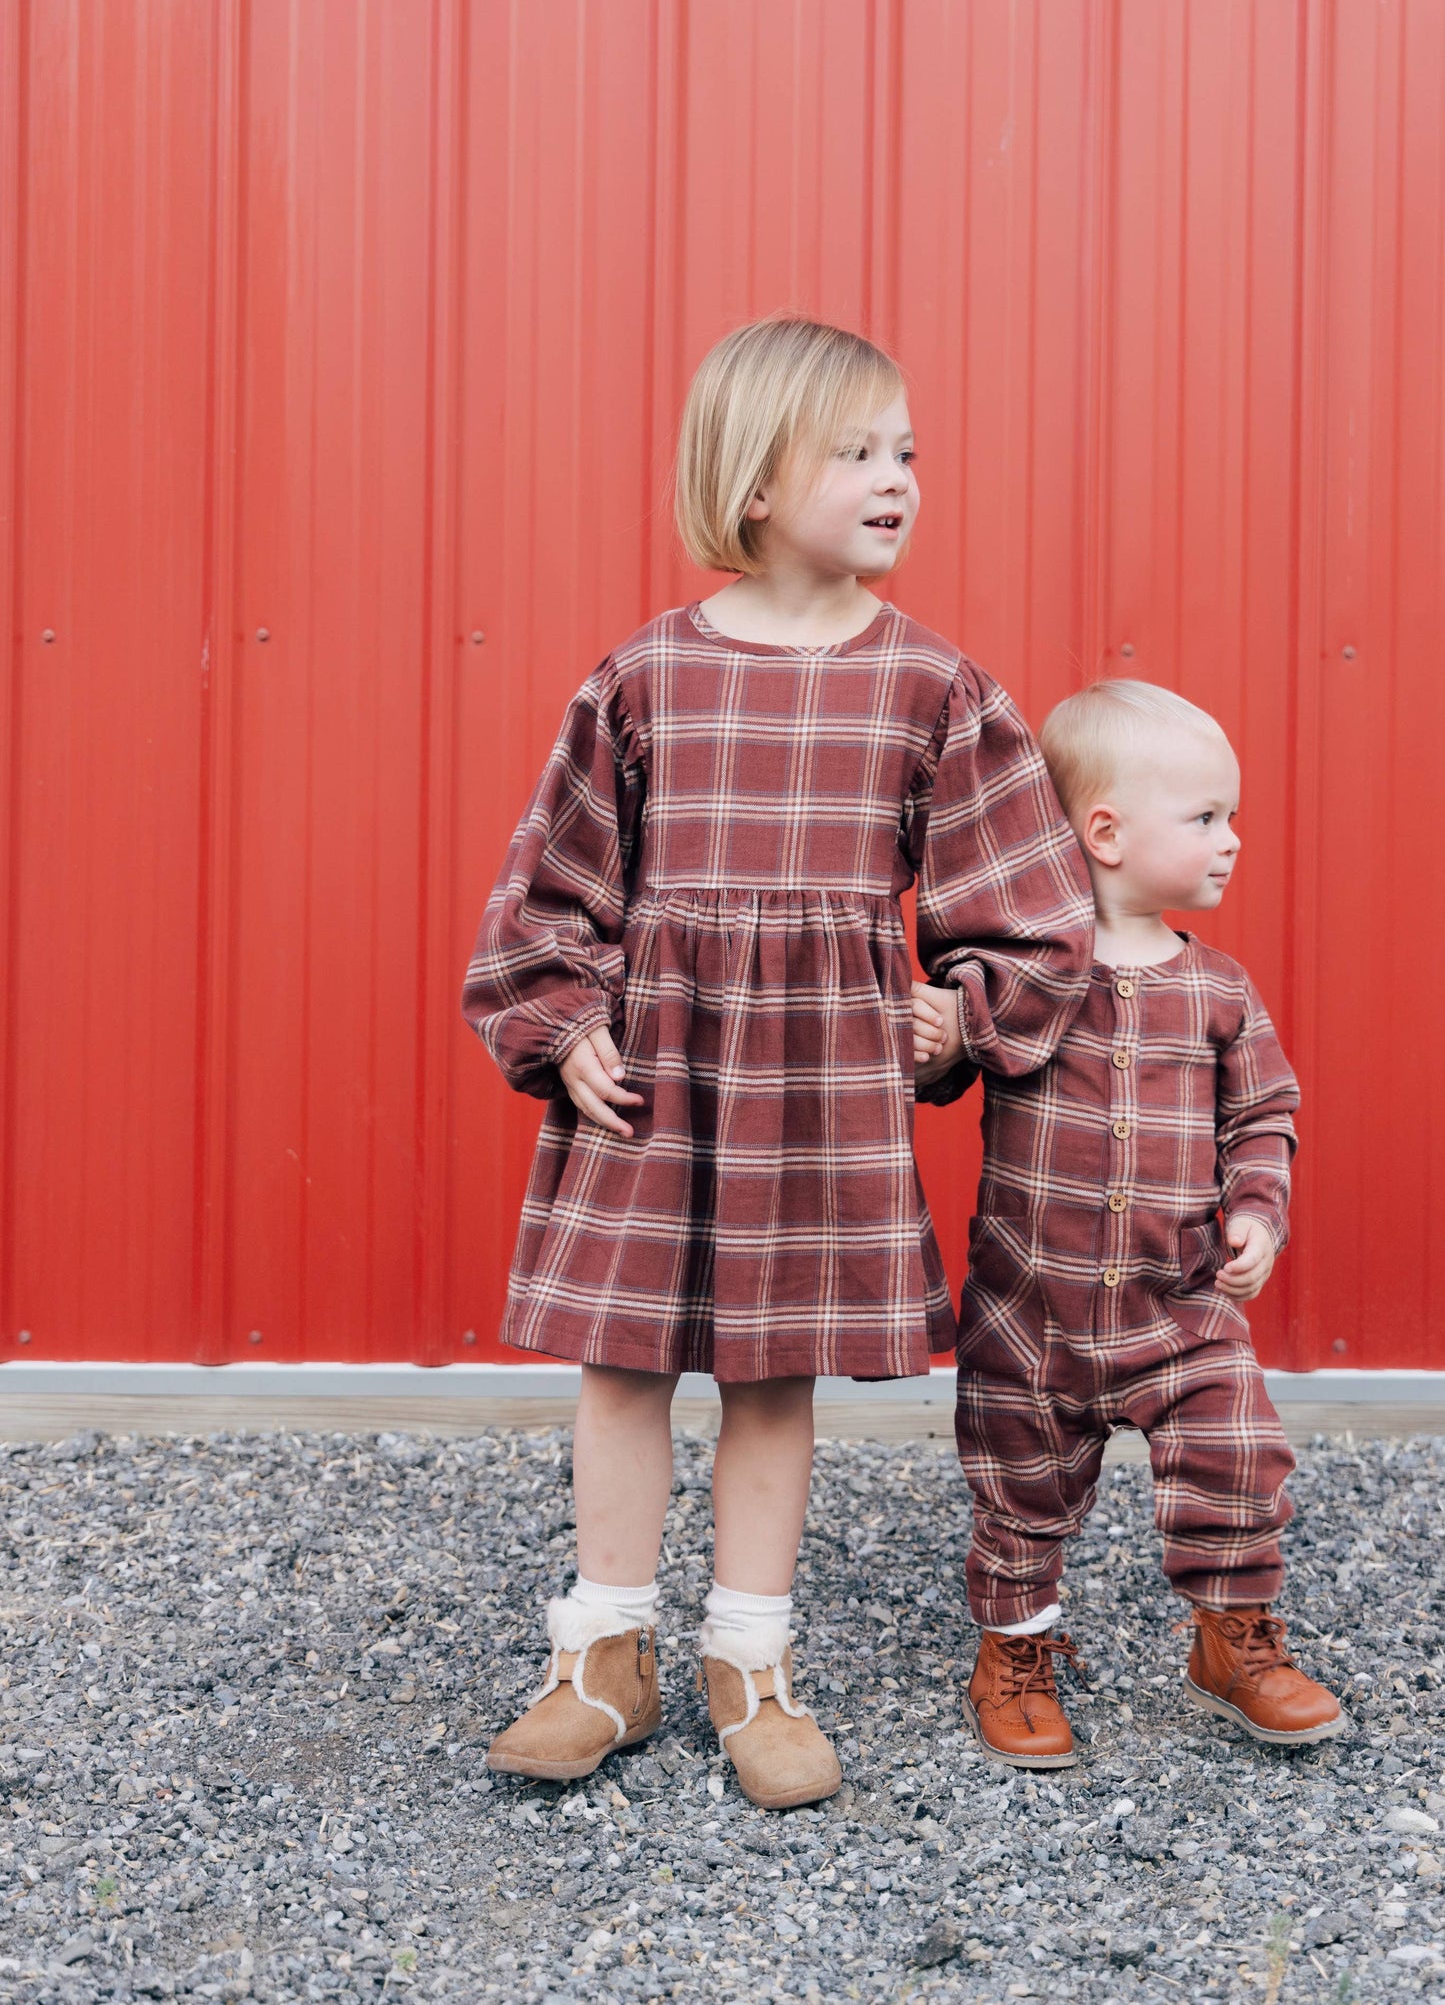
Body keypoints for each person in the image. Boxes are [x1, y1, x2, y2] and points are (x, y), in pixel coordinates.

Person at [462, 315, 1094, 1807]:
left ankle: (752, 1658)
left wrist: (963, 1007)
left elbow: (1026, 898)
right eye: (857, 452)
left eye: (908, 453)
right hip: (659, 1075)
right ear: (754, 483)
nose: (898, 480)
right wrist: (564, 1031)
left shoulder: (933, 687)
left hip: (818, 1095)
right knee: (622, 1359)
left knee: (769, 1373)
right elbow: (556, 883)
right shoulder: (647, 677)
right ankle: (601, 1652)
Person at [914, 679, 1344, 1767]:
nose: (1230, 841)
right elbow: (937, 1060)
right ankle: (1012, 1650)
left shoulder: (1217, 990)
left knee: (1236, 1460)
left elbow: (1262, 1115)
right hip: (1030, 1313)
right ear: (1102, 833)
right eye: (1204, 817)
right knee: (1018, 1490)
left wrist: (1255, 1208)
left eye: (1228, 817)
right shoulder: (1016, 985)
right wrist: (933, 1032)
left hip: (1178, 1307)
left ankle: (1230, 1640)